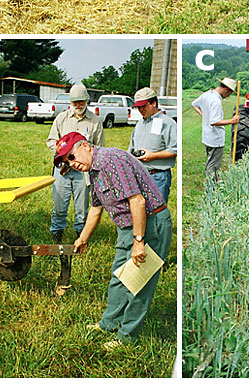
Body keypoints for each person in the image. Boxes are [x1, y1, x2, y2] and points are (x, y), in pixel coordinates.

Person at [54, 132, 172, 348]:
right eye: (66, 163)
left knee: (138, 283)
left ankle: (127, 337)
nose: (72, 164)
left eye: (71, 157)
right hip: (127, 226)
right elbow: (96, 209)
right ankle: (109, 323)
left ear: (86, 146)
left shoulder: (110, 160)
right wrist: (83, 238)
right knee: (119, 277)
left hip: (150, 223)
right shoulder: (93, 170)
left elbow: (137, 201)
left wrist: (138, 242)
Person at [46, 84, 104, 244]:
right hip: (62, 170)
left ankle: (81, 237)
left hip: (83, 173)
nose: (78, 105)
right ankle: (56, 236)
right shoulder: (62, 118)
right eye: (75, 102)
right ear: (70, 102)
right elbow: (50, 140)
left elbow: (99, 148)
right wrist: (62, 153)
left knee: (82, 209)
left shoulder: (95, 121)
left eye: (81, 101)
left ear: (87, 100)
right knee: (59, 207)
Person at [128, 87, 177, 203]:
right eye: (138, 107)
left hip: (158, 177)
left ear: (153, 103)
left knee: (157, 214)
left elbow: (175, 150)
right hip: (138, 175)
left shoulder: (168, 123)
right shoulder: (139, 124)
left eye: (143, 106)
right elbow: (131, 148)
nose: (140, 110)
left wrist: (153, 156)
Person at [191, 77, 239, 181]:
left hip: (207, 137)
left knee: (210, 162)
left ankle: (211, 183)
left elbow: (194, 104)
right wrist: (232, 121)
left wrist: (204, 116)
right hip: (215, 139)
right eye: (230, 93)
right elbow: (214, 122)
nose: (228, 96)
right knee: (213, 166)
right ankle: (211, 189)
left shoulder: (208, 94)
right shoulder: (216, 101)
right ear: (226, 90)